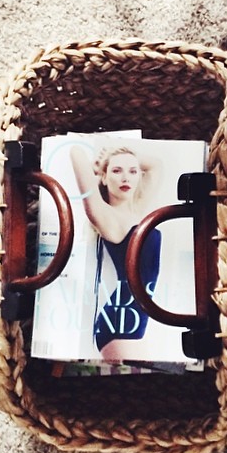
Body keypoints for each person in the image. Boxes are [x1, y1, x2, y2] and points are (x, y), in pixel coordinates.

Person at [70, 143, 162, 361]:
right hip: (119, 322)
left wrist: (123, 156)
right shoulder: (104, 216)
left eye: (132, 171)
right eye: (116, 171)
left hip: (137, 317)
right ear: (103, 177)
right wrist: (100, 163)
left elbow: (156, 165)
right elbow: (76, 151)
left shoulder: (139, 211)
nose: (125, 178)